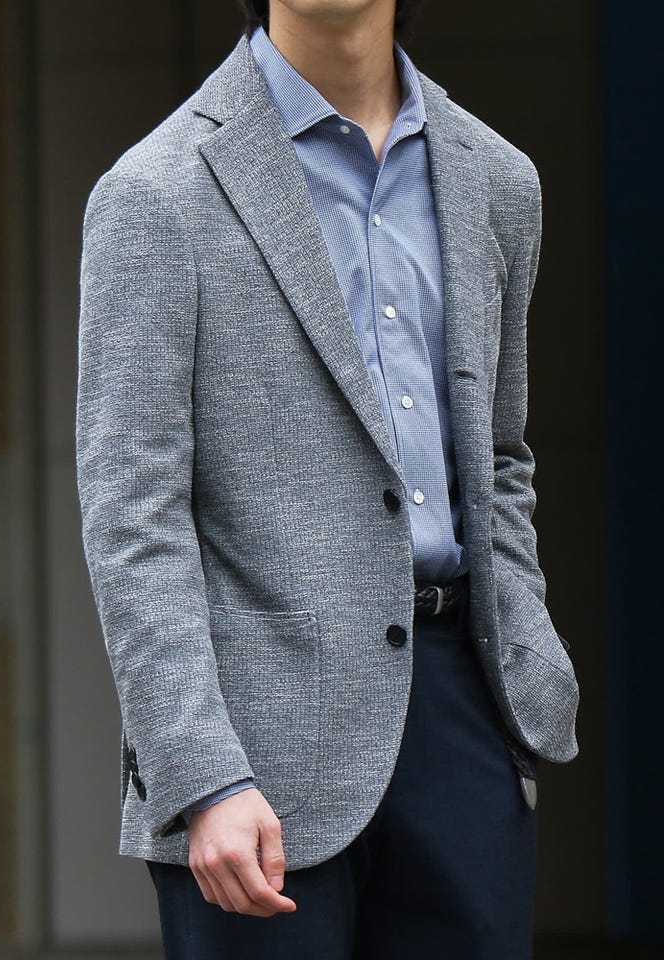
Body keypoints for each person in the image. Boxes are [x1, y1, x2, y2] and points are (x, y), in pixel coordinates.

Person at [75, 0, 580, 956]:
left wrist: (525, 657)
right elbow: (131, 512)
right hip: (254, 744)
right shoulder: (155, 192)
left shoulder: (498, 178)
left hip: (464, 707)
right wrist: (202, 772)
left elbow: (501, 456)